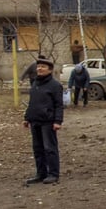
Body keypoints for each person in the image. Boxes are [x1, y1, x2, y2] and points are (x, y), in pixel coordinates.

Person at [23, 56, 63, 185]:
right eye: (38, 66)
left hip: (48, 122)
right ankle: (41, 173)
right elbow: (32, 102)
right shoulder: (35, 83)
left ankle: (53, 174)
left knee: (49, 148)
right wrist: (27, 118)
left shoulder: (55, 85)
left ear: (50, 70)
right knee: (37, 148)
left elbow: (59, 105)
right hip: (35, 121)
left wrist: (58, 121)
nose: (39, 69)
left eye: (43, 67)